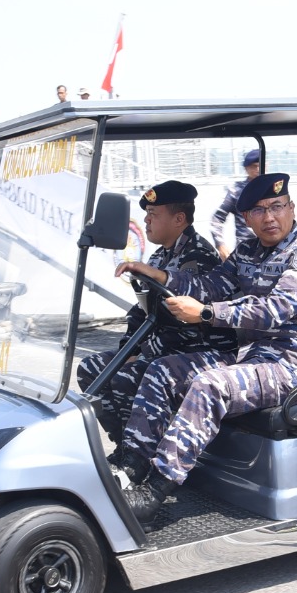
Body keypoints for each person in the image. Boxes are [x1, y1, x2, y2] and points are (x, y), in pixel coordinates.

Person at [112, 173, 297, 525]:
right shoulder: (247, 250)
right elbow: (213, 283)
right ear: (246, 219)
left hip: (292, 367)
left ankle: (156, 489)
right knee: (162, 370)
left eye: (277, 207)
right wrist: (158, 275)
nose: (270, 217)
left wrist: (208, 314)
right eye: (258, 211)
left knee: (210, 385)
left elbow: (274, 310)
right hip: (248, 357)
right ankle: (133, 464)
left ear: (291, 208)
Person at [75, 181, 237, 440]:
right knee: (91, 368)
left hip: (198, 350)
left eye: (153, 214)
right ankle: (123, 444)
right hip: (164, 349)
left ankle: (143, 451)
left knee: (125, 377)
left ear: (179, 218)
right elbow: (142, 312)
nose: (146, 220)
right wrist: (128, 349)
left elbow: (185, 325)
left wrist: (141, 355)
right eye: (146, 214)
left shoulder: (198, 256)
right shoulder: (159, 258)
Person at [211, 148, 262, 259]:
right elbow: (217, 219)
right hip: (246, 251)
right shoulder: (237, 191)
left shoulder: (274, 189)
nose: (258, 169)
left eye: (261, 165)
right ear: (246, 168)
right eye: (254, 166)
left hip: (272, 250)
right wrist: (220, 245)